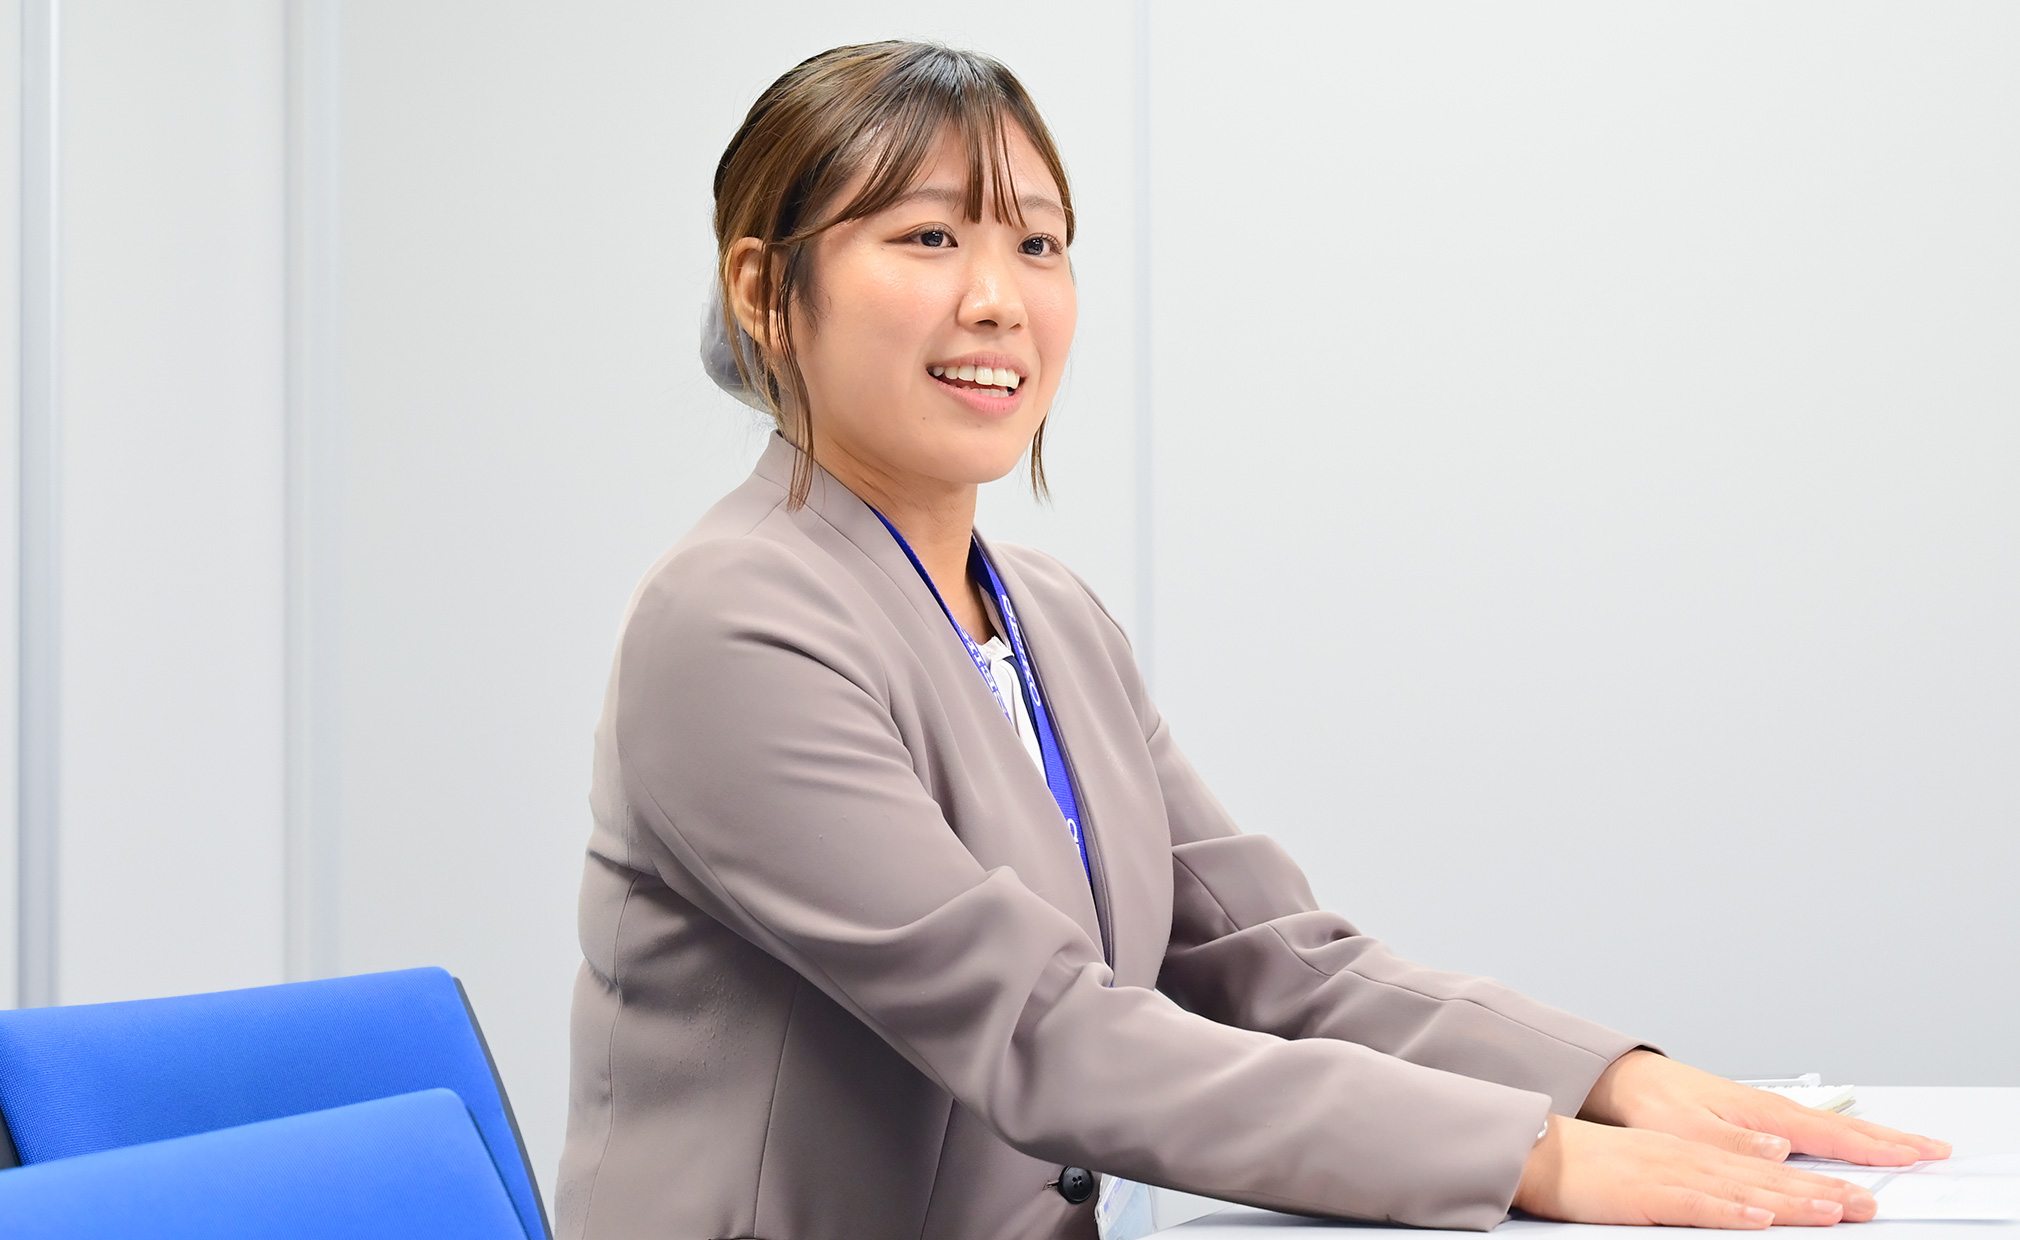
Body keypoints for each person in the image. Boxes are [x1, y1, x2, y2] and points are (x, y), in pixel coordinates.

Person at [556, 41, 1947, 1240]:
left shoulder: (1050, 617)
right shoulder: (731, 627)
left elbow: (1276, 962)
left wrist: (1609, 1083)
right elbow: (1043, 1032)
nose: (999, 300)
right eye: (928, 239)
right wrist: (1532, 1157)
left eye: (1037, 243)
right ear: (765, 290)